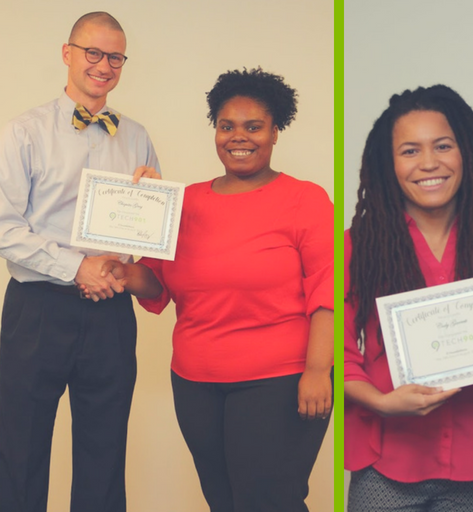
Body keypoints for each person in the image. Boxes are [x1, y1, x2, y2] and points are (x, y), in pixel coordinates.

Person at [97, 68, 333, 512]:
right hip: (195, 383)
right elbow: (156, 281)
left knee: (268, 502)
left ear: (275, 132)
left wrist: (319, 370)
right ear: (215, 131)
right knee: (223, 502)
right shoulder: (184, 202)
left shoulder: (306, 199)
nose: (238, 137)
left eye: (253, 126)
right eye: (227, 126)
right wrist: (122, 271)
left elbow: (329, 292)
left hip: (278, 381)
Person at [0, 11, 159, 512]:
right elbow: (4, 226)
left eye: (115, 57)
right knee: (19, 452)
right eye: (94, 52)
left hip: (111, 315)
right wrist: (76, 268)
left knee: (104, 451)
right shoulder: (24, 132)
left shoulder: (137, 138)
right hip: (37, 309)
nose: (104, 65)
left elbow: (149, 233)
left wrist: (152, 209)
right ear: (68, 53)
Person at [343, 85, 473, 511]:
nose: (429, 163)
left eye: (443, 146)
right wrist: (380, 402)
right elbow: (332, 350)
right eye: (410, 151)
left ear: (466, 151)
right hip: (386, 460)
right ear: (388, 163)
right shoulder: (358, 246)